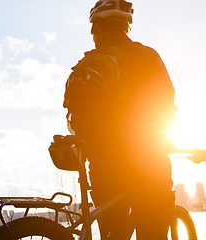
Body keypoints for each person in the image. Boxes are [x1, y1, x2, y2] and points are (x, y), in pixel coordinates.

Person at [63, 0, 178, 239]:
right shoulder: (146, 56)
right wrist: (167, 136)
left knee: (112, 234)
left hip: (102, 165)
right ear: (127, 26)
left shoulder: (85, 65)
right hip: (145, 161)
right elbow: (166, 106)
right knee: (153, 231)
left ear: (95, 30)